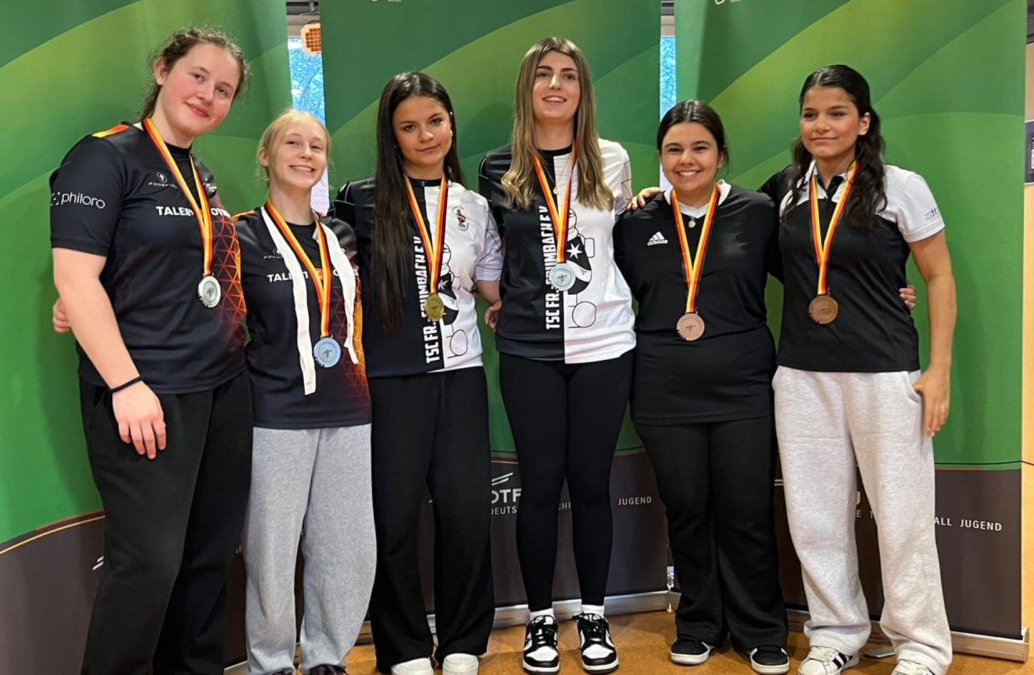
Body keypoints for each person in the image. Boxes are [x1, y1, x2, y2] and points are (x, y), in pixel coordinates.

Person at [49, 27, 252, 675]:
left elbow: (174, 270)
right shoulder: (104, 156)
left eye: (224, 90)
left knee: (207, 558)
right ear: (163, 69)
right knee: (148, 565)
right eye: (198, 76)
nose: (209, 95)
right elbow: (74, 278)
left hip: (222, 386)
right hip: (147, 391)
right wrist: (125, 385)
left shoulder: (200, 173)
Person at [764, 65, 956, 675]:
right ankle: (835, 635)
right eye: (810, 114)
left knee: (902, 517)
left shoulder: (901, 187)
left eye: (837, 113)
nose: (821, 125)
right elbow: (724, 225)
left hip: (884, 372)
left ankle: (921, 646)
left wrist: (939, 369)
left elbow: (938, 277)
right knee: (815, 518)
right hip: (803, 375)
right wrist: (654, 197)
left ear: (864, 121)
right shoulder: (784, 189)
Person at [331, 72, 502, 675]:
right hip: (388, 383)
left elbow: (493, 288)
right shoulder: (357, 200)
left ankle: (463, 642)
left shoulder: (476, 207)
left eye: (435, 121)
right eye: (409, 126)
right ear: (392, 135)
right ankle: (402, 647)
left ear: (451, 123)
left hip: (461, 378)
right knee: (392, 519)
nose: (425, 135)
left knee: (465, 515)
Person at [613, 100, 790, 675]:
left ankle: (760, 628)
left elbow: (811, 270)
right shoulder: (635, 222)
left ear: (721, 153)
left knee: (746, 510)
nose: (686, 160)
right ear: (660, 157)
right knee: (687, 510)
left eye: (699, 148)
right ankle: (698, 623)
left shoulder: (758, 212)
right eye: (674, 149)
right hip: (663, 387)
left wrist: (887, 291)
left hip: (744, 387)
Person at [478, 37, 634, 675]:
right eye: (543, 74)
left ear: (582, 89)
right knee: (540, 486)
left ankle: (594, 614)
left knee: (591, 484)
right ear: (527, 87)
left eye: (568, 75)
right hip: (529, 348)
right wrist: (498, 301)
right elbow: (491, 253)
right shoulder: (497, 166)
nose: (555, 85)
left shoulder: (612, 159)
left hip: (605, 344)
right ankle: (540, 618)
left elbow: (623, 239)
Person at [233, 110, 374, 675]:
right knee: (270, 549)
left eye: (316, 146)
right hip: (275, 410)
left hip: (349, 405)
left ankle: (325, 657)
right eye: (292, 143)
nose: (306, 154)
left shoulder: (341, 234)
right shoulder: (240, 234)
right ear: (265, 156)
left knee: (345, 545)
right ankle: (270, 662)